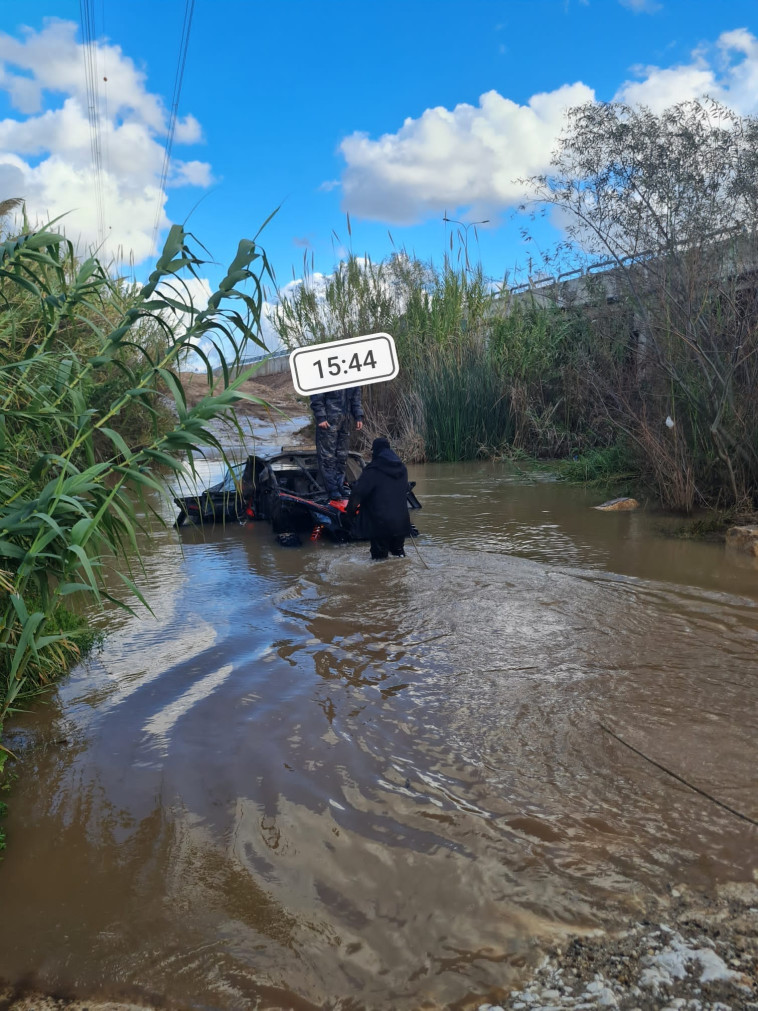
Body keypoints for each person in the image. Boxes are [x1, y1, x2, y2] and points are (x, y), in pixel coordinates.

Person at [346, 437, 411, 560]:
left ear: (375, 451)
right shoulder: (402, 469)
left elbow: (358, 493)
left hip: (380, 524)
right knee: (399, 555)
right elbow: (405, 489)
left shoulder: (373, 470)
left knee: (379, 560)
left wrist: (350, 513)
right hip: (401, 523)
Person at [310, 386, 364, 507]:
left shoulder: (352, 375)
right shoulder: (326, 374)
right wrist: (321, 417)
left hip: (345, 419)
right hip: (329, 419)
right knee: (327, 456)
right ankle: (332, 489)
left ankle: (339, 487)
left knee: (342, 456)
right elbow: (317, 395)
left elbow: (356, 397)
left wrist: (358, 415)